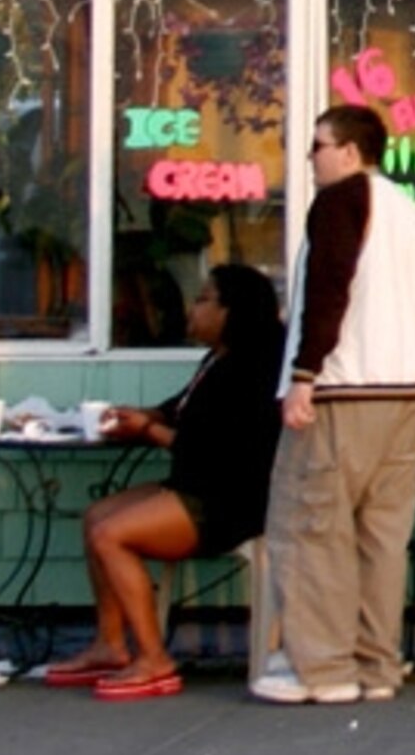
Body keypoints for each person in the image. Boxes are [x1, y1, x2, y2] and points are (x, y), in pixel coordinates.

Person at [251, 102, 415, 706]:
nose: (309, 159)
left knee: (310, 527)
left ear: (350, 153)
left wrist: (304, 373)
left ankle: (322, 668)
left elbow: (330, 287)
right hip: (410, 389)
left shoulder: (340, 200)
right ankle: (376, 663)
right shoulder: (410, 211)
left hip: (345, 386)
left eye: (317, 146)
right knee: (381, 538)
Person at [38, 265, 286, 701]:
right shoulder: (218, 358)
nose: (193, 307)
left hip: (228, 502)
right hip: (195, 486)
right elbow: (181, 409)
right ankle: (110, 645)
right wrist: (144, 415)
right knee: (97, 515)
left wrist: (148, 432)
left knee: (111, 535)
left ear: (233, 310)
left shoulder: (256, 368)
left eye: (204, 299)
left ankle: (155, 659)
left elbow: (213, 449)